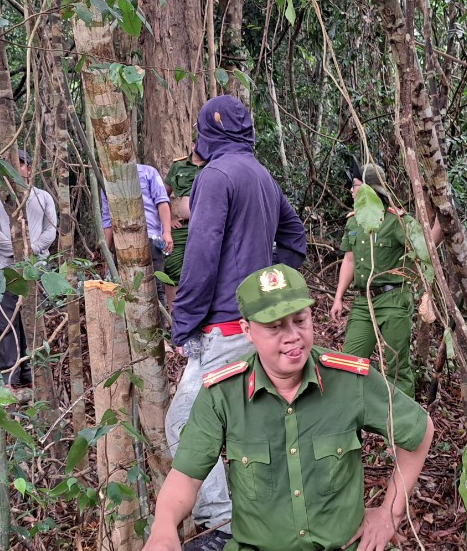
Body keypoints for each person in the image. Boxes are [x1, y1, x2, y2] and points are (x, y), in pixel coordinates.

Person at [144, 264, 434, 551]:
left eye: (300, 320)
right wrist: (163, 528)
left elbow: (420, 432)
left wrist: (390, 514)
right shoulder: (223, 394)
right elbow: (187, 476)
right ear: (247, 330)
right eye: (274, 326)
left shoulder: (350, 382)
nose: (292, 335)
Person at [166, 95, 308, 547]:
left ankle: (222, 526)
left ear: (210, 132)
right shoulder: (261, 175)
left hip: (225, 328)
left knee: (184, 423)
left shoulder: (217, 176)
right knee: (252, 425)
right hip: (253, 328)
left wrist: (184, 322)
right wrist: (271, 292)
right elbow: (295, 237)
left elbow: (201, 256)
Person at [330, 163, 439, 397]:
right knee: (349, 364)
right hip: (363, 303)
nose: (351, 190)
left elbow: (424, 249)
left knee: (397, 365)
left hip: (393, 299)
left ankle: (401, 422)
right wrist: (338, 297)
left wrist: (442, 221)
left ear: (371, 189)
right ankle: (353, 416)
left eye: (356, 185)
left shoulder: (397, 220)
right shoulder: (353, 221)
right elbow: (349, 261)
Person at [0, 150, 58, 389]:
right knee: (7, 322)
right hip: (5, 270)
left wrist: (31, 249)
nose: (18, 171)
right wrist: (18, 251)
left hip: (35, 269)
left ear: (29, 168)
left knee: (33, 321)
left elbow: (51, 229)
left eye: (22, 165)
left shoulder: (42, 197)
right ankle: (10, 375)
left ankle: (33, 372)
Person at [100, 162, 172, 306]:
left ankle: (160, 326)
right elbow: (107, 218)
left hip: (150, 238)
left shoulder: (148, 172)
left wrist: (167, 232)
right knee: (127, 287)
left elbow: (162, 202)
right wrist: (106, 250)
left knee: (156, 286)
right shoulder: (108, 178)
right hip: (122, 242)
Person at [162, 146, 205, 307]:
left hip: (206, 227)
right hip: (182, 227)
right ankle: (174, 316)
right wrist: (170, 219)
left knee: (205, 268)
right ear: (193, 145)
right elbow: (161, 195)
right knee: (172, 267)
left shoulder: (214, 164)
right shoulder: (179, 166)